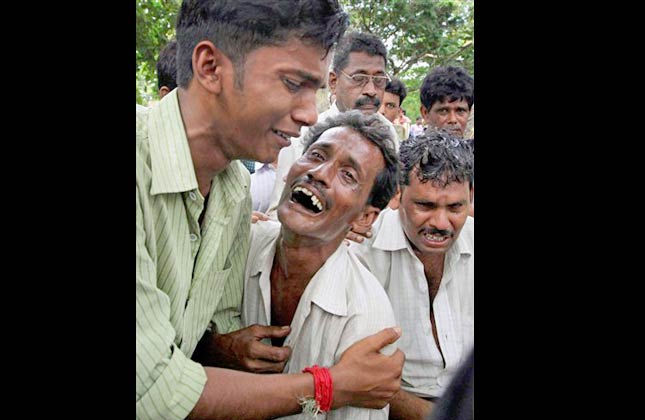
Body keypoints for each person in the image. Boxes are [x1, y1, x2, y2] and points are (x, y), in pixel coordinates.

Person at [136, 1, 405, 419]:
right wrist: (331, 384)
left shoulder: (232, 188)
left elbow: (205, 327)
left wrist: (217, 345)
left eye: (313, 90)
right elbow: (154, 391)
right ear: (210, 67)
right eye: (292, 83)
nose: (309, 113)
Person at [242, 111, 400, 419]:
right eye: (316, 155)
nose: (319, 173)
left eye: (348, 175)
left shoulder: (365, 316)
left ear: (365, 217)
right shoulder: (239, 246)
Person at [349, 129, 474, 419]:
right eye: (425, 205)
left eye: (455, 207)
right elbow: (360, 372)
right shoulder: (361, 250)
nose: (441, 223)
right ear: (398, 194)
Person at [264, 30, 399, 222]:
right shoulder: (303, 133)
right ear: (334, 82)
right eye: (359, 79)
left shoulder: (390, 134)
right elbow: (277, 213)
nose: (371, 90)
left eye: (379, 81)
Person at [419, 66, 474, 139]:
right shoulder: (408, 149)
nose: (453, 120)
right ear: (425, 113)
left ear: (469, 113)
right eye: (443, 111)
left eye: (460, 110)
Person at [379, 77, 408, 142]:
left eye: (390, 106)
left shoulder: (402, 148)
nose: (381, 111)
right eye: (377, 103)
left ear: (398, 112)